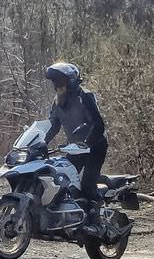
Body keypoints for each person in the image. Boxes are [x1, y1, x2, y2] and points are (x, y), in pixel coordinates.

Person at [43, 61, 109, 236]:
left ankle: (97, 220)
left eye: (60, 81)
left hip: (95, 147)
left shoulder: (85, 96)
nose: (57, 86)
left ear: (71, 82)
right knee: (63, 181)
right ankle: (74, 217)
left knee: (87, 183)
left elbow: (98, 124)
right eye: (55, 82)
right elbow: (53, 126)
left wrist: (87, 142)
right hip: (75, 148)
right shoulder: (57, 102)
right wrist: (40, 142)